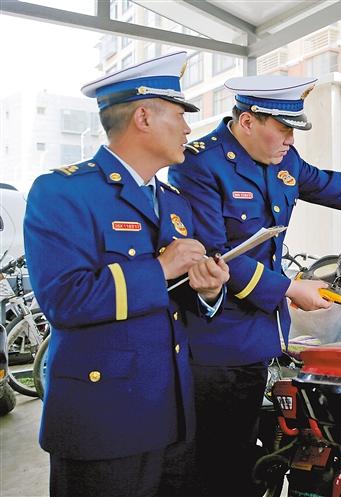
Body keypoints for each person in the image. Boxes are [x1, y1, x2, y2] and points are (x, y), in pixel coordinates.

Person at [168, 74, 341, 496]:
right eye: (283, 129)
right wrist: (287, 289)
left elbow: (335, 187)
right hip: (215, 340)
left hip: (261, 333)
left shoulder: (285, 159)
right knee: (215, 460)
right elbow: (213, 255)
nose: (290, 140)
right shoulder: (199, 164)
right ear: (247, 121)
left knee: (244, 450)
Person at [24, 51, 230, 497]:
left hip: (172, 413)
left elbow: (175, 299)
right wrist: (159, 268)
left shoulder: (173, 201)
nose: (189, 129)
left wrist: (207, 290)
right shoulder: (63, 192)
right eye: (180, 115)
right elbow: (65, 301)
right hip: (104, 421)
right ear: (144, 117)